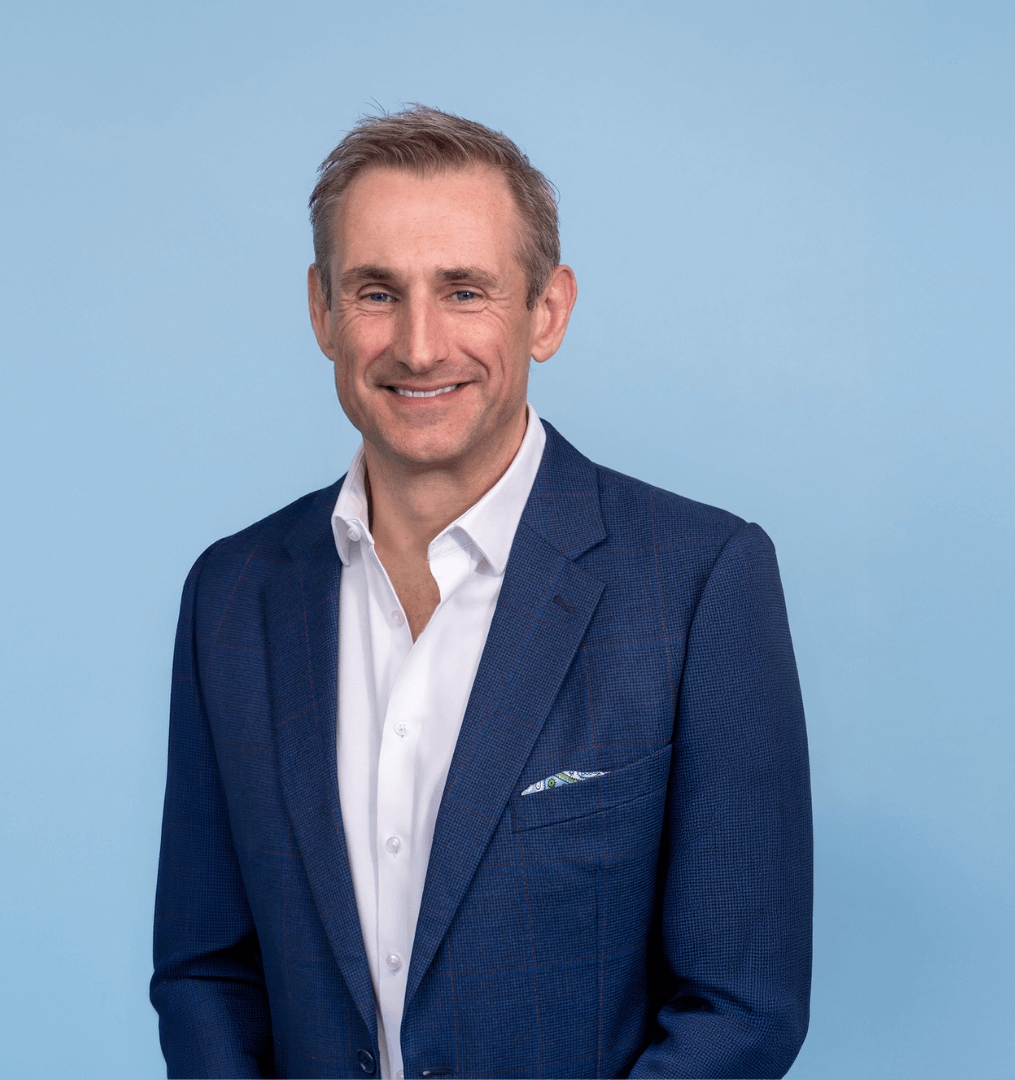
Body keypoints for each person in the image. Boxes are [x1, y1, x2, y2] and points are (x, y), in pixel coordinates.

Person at [151, 105, 812, 1080]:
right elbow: (206, 972)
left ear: (547, 311)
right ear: (322, 310)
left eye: (464, 291)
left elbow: (743, 1009)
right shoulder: (232, 596)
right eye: (377, 292)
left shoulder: (701, 582)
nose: (419, 346)